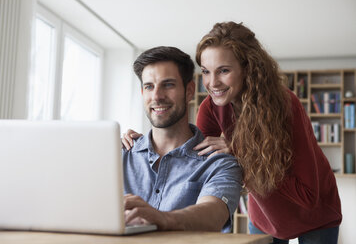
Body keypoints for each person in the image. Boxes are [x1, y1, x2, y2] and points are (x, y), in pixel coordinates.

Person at [123, 22, 342, 243]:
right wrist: (150, 144)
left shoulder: (285, 104)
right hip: (265, 215)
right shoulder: (210, 108)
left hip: (314, 214)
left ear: (248, 68)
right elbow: (198, 160)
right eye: (206, 72)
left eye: (224, 70)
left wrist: (240, 151)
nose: (212, 83)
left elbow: (308, 196)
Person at [122, 46, 242, 232]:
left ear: (189, 91)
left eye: (168, 84)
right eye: (149, 86)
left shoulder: (219, 162)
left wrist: (160, 218)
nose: (157, 96)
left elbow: (213, 215)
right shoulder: (119, 155)